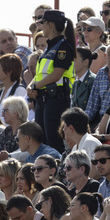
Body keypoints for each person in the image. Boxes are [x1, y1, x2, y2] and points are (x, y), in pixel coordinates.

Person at [28, 10, 76, 152]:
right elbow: (40, 75)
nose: (41, 26)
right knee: (42, 140)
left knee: (53, 141)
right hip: (43, 99)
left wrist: (35, 86)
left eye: (43, 23)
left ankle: (55, 171)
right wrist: (31, 86)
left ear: (50, 24)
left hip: (56, 99)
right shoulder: (50, 46)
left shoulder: (63, 46)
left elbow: (57, 74)